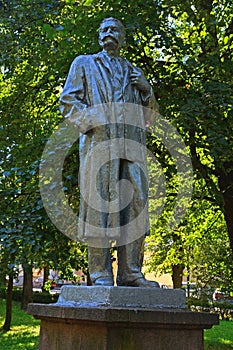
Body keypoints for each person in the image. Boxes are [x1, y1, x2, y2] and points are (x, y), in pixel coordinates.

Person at [59, 17, 159, 287]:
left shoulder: (134, 71)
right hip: (99, 144)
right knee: (98, 205)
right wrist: (94, 120)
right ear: (98, 36)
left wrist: (147, 90)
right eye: (104, 30)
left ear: (122, 38)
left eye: (114, 30)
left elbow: (151, 119)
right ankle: (100, 272)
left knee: (137, 204)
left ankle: (131, 272)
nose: (108, 33)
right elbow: (68, 100)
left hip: (132, 145)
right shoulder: (84, 64)